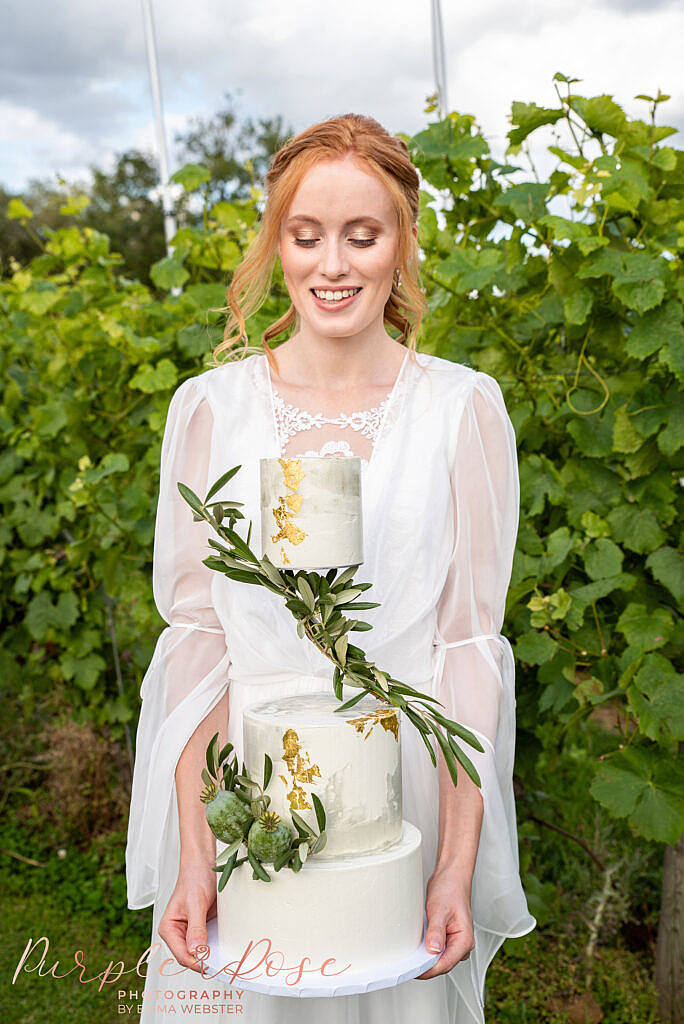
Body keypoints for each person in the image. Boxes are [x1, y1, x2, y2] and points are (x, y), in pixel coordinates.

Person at [126, 112, 535, 1023]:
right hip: (248, 789)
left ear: (402, 246)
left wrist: (454, 865)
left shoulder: (461, 409)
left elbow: (469, 653)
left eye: (363, 235)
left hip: (401, 799)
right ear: (278, 243)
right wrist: (198, 849)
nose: (333, 264)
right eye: (306, 236)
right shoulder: (211, 410)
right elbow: (198, 650)